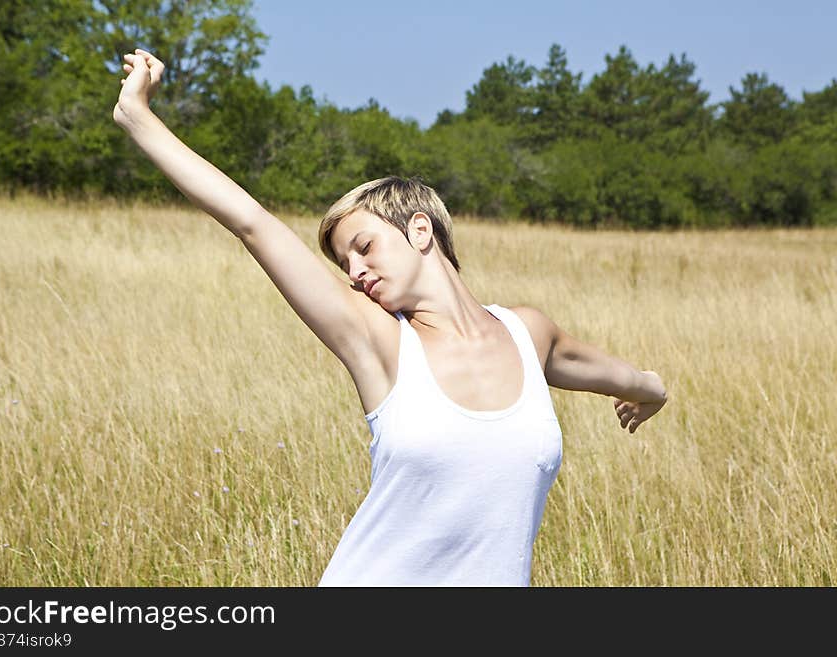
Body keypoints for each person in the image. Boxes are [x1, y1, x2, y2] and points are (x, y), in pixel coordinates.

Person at [114, 48, 668, 586]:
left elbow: (616, 375)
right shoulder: (379, 341)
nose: (354, 272)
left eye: (363, 247)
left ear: (420, 231)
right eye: (344, 262)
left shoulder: (529, 334)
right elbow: (253, 222)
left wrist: (651, 389)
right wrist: (138, 118)